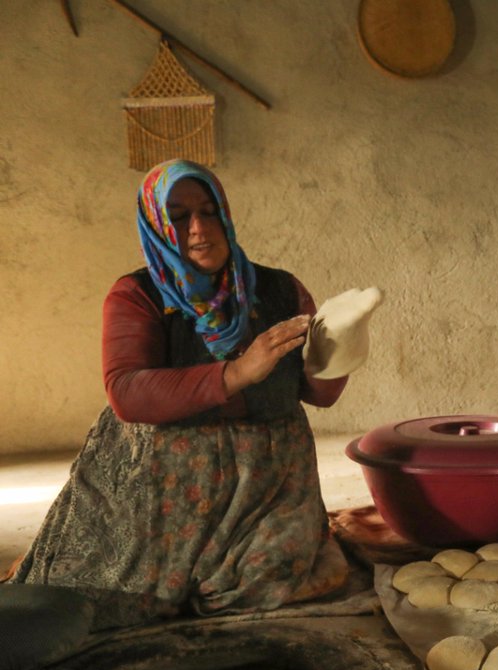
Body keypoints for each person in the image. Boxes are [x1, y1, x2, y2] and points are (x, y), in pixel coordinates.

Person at [5, 160, 352, 628]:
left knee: (267, 578)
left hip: (267, 484)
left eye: (209, 212)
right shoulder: (138, 294)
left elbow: (319, 394)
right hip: (162, 484)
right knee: (112, 596)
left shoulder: (280, 290)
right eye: (179, 216)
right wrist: (236, 372)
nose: (199, 229)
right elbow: (127, 392)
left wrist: (340, 354)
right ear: (155, 224)